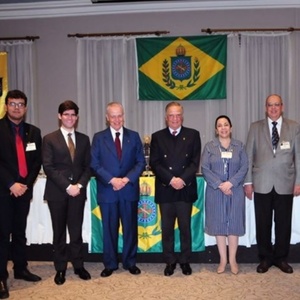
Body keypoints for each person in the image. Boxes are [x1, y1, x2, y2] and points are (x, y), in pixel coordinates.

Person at [244, 94, 300, 274]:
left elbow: (299, 156)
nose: (273, 108)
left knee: (283, 223)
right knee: (263, 223)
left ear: (282, 107)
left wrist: (298, 181)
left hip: (286, 182)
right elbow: (248, 156)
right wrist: (248, 182)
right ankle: (265, 258)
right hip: (261, 183)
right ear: (265, 107)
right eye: (270, 105)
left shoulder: (294, 127)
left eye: (277, 105)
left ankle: (281, 258)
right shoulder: (255, 127)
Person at [90, 102, 145, 277]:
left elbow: (140, 162)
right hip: (108, 191)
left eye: (119, 115)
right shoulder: (98, 138)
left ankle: (130, 262)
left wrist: (126, 179)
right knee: (109, 230)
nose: (116, 119)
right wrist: (112, 180)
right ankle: (110, 264)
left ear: (124, 116)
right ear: (107, 118)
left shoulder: (134, 136)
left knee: (130, 229)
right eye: (113, 116)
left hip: (128, 190)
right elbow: (94, 164)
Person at [42, 100, 91, 285]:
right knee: (59, 232)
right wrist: (67, 186)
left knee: (76, 231)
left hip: (78, 192)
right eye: (66, 114)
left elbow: (88, 167)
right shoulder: (49, 138)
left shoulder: (84, 139)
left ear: (77, 118)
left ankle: (79, 266)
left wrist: (79, 185)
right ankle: (60, 268)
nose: (69, 118)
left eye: (73, 115)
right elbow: (48, 167)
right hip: (57, 193)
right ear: (59, 116)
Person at [149, 101, 201, 276]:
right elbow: (154, 163)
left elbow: (195, 162)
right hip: (166, 188)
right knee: (167, 228)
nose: (174, 118)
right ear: (166, 117)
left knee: (185, 228)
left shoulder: (193, 134)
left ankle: (185, 260)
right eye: (171, 115)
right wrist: (171, 179)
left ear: (182, 116)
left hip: (185, 189)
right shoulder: (157, 136)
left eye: (178, 114)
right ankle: (170, 261)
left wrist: (182, 180)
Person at [0, 90, 42, 299]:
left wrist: (24, 184)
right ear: (6, 106)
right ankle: (0, 276)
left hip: (24, 191)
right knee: (2, 234)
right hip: (3, 191)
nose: (17, 108)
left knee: (19, 231)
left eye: (21, 104)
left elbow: (36, 162)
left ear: (26, 107)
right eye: (12, 104)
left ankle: (20, 268)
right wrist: (11, 183)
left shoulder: (33, 132)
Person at [201, 115, 248, 275]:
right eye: (219, 125)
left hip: (235, 191)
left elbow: (244, 167)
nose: (223, 128)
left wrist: (231, 183)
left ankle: (233, 260)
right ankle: (223, 260)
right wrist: (220, 185)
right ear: (216, 130)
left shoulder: (239, 146)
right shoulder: (209, 147)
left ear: (231, 127)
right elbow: (205, 169)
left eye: (226, 125)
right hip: (216, 191)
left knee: (233, 224)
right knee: (219, 225)